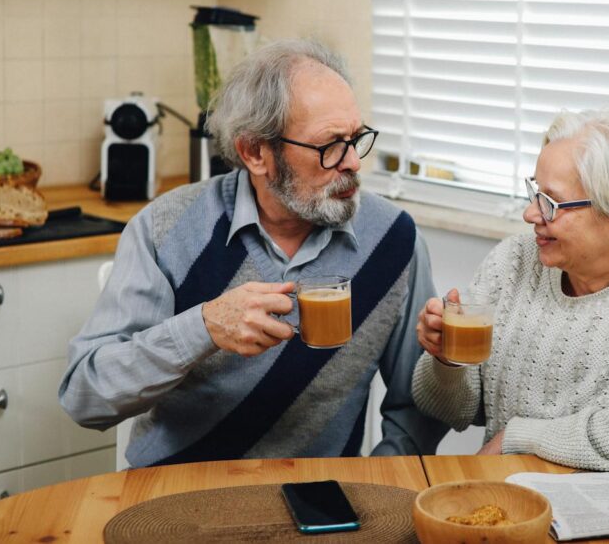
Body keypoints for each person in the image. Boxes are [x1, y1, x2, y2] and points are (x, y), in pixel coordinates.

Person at [60, 39, 447, 466]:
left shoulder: (394, 240)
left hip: (317, 504)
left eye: (356, 138)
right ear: (256, 152)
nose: (353, 161)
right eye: (330, 145)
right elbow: (85, 395)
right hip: (176, 495)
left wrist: (376, 484)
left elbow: (416, 408)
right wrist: (202, 329)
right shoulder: (165, 229)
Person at [412, 109, 609, 472]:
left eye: (551, 202)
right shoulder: (513, 261)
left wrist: (517, 439)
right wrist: (446, 360)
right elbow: (447, 409)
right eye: (534, 192)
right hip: (514, 494)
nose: (530, 214)